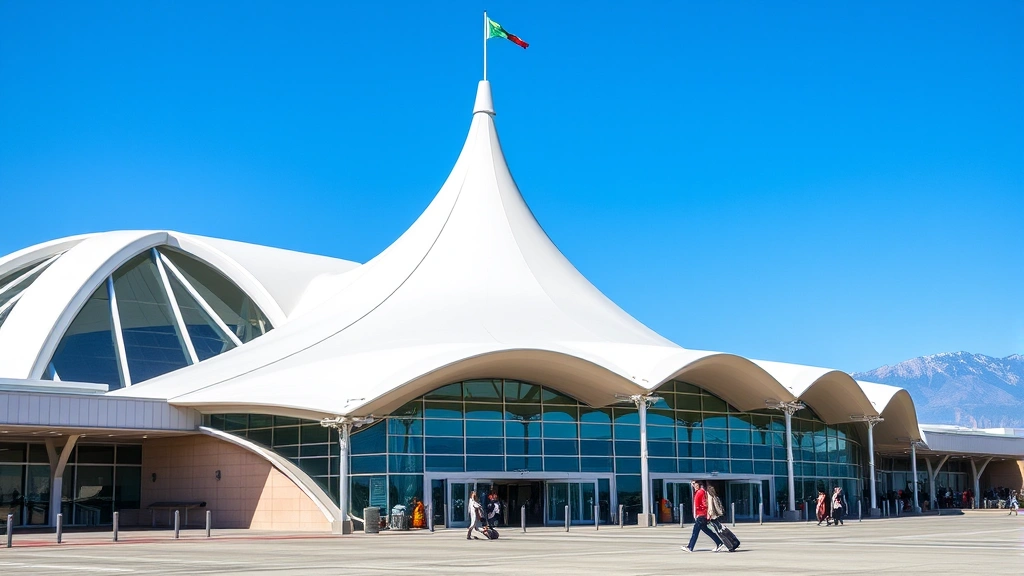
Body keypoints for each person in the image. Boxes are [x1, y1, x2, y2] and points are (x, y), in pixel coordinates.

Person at [682, 480, 724, 553]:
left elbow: (704, 504)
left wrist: (700, 513)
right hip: (702, 515)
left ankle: (690, 547)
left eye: (694, 484)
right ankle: (719, 543)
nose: (693, 485)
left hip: (701, 516)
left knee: (695, 532)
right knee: (707, 531)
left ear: (698, 484)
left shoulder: (700, 492)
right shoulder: (701, 491)